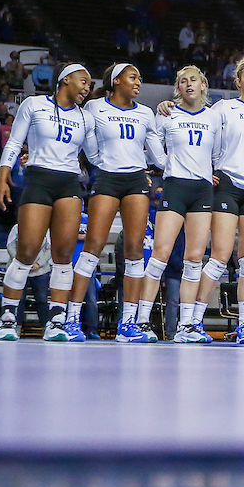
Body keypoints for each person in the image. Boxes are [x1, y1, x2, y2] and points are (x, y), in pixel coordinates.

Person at [162, 56, 244, 344]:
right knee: (218, 258)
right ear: (238, 81)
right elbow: (196, 120)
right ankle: (193, 321)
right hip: (227, 185)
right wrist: (166, 106)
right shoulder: (223, 108)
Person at [0, 62, 97, 341]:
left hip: (69, 183)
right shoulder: (34, 104)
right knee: (27, 251)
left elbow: (96, 156)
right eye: (83, 81)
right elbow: (14, 142)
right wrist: (3, 178)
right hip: (38, 179)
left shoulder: (86, 118)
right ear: (65, 80)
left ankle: (56, 321)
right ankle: (7, 317)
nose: (87, 88)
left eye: (89, 85)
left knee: (63, 256)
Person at [72, 63, 164, 343]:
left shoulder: (145, 113)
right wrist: (105, 164)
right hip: (107, 178)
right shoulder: (94, 107)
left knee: (135, 251)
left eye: (140, 78)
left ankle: (128, 323)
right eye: (132, 77)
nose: (138, 82)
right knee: (93, 247)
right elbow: (85, 145)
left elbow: (159, 157)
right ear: (116, 81)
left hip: (136, 180)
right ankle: (71, 319)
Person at [142, 66, 218, 344]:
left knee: (195, 258)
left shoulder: (214, 116)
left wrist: (210, 169)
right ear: (177, 87)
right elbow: (153, 143)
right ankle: (141, 321)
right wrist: (166, 164)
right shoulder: (167, 113)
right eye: (183, 81)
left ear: (203, 84)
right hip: (175, 186)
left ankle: (186, 326)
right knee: (160, 254)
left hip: (202, 190)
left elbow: (218, 151)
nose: (188, 84)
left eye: (193, 80)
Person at [6, 224, 52, 331]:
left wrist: (38, 264)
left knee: (42, 300)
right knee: (19, 300)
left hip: (40, 271)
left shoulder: (46, 230)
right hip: (19, 268)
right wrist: (21, 262)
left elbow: (49, 249)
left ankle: (46, 328)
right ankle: (16, 327)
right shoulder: (16, 228)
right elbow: (10, 246)